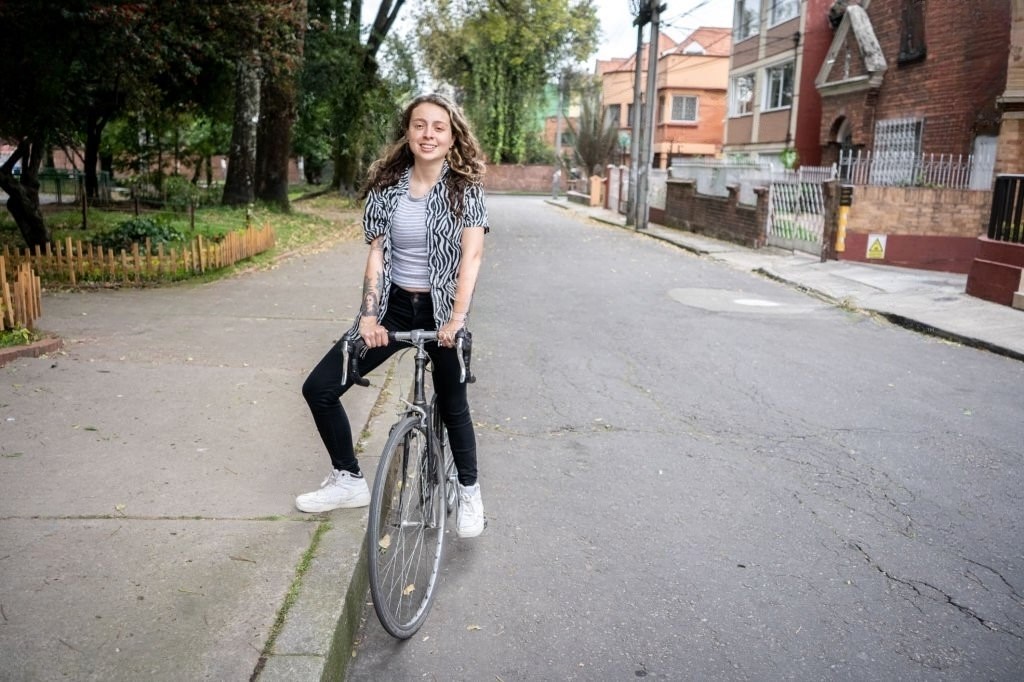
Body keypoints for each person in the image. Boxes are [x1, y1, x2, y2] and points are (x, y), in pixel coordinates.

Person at [297, 93, 489, 538]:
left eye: (438, 127)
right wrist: (368, 318)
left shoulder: (466, 189)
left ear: (453, 137)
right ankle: (348, 479)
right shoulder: (387, 186)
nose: (428, 134)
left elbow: (472, 257)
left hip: (444, 310)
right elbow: (377, 256)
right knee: (320, 388)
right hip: (394, 307)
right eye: (419, 125)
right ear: (407, 131)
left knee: (454, 403)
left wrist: (456, 321)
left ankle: (469, 491)